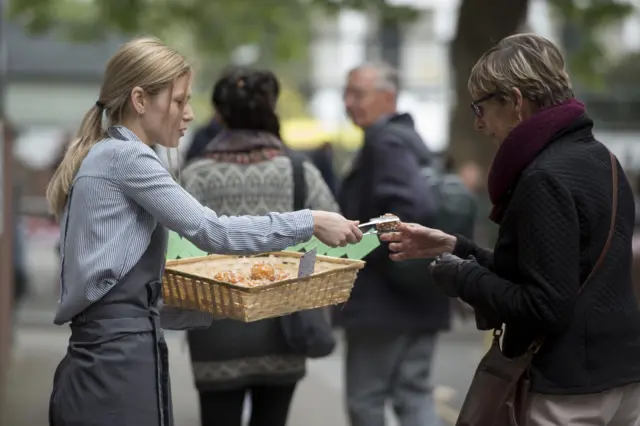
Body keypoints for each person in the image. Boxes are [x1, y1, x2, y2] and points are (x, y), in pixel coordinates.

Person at [46, 37, 362, 426]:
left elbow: (122, 289)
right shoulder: (127, 157)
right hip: (115, 364)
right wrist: (309, 220)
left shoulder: (109, 154)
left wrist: (220, 299)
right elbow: (212, 231)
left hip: (112, 357)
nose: (190, 114)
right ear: (140, 99)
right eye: (179, 101)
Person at [381, 33, 640, 425]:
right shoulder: (603, 160)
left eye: (482, 107)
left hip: (567, 390)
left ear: (516, 102)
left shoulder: (543, 177)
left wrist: (463, 278)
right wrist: (456, 247)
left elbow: (544, 306)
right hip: (622, 377)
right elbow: (548, 272)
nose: (479, 123)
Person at [181, 66, 339, 426]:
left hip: (214, 329)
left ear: (219, 115)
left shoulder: (195, 174)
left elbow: (177, 249)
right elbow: (335, 236)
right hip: (285, 327)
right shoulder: (300, 171)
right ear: (272, 110)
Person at [338, 61, 446, 426]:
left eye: (358, 94)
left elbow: (415, 206)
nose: (348, 102)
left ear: (388, 97)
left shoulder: (384, 140)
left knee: (366, 399)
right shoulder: (410, 138)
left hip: (383, 303)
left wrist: (376, 254)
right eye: (346, 93)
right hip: (422, 292)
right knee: (413, 395)